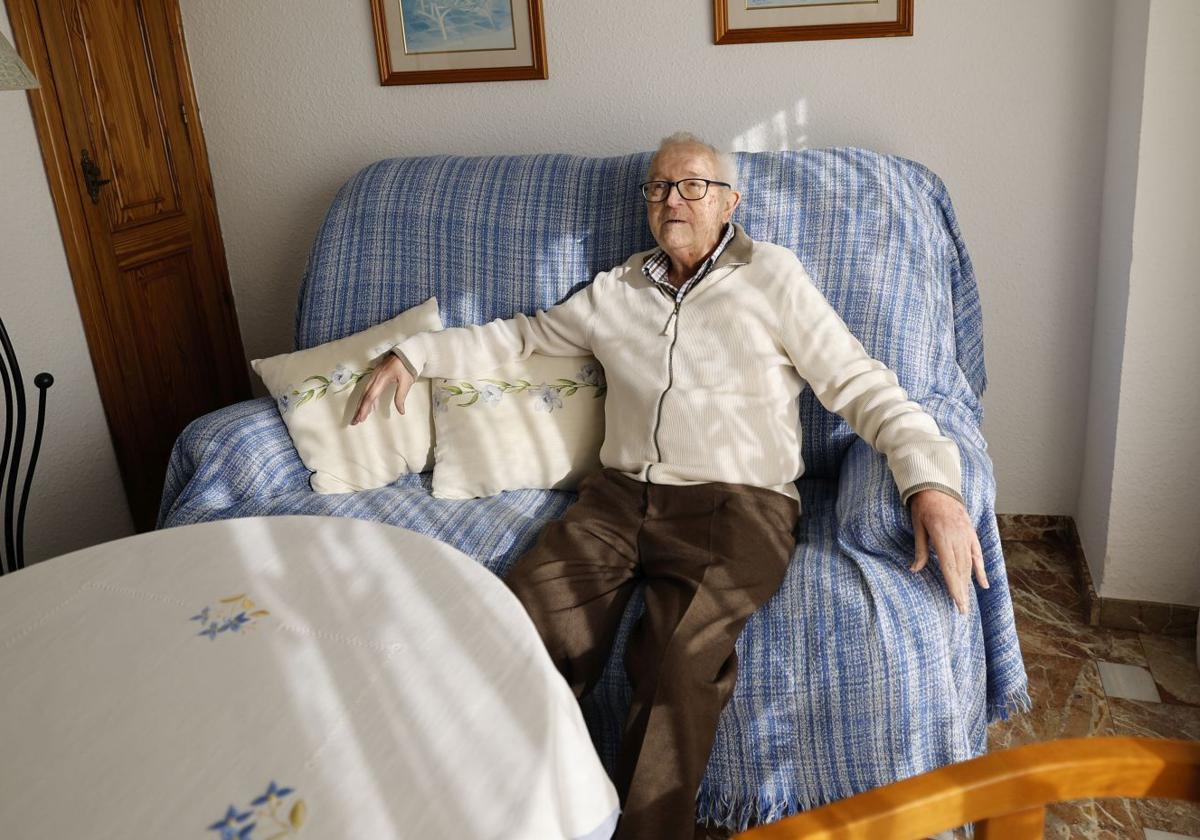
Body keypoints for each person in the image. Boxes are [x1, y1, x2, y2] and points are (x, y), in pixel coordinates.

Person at [353, 132, 989, 840]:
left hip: (738, 507)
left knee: (675, 668)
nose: (670, 199)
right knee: (523, 628)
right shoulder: (616, 290)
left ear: (729, 202)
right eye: (658, 187)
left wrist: (930, 483)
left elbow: (861, 384)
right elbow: (521, 338)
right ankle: (520, 816)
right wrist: (416, 354)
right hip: (615, 502)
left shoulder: (772, 278)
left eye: (691, 185)